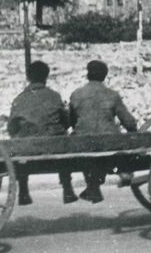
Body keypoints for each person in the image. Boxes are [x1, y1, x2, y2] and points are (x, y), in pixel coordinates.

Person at [8, 61, 77, 205]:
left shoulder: (19, 100)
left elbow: (11, 128)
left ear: (28, 77)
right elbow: (66, 122)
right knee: (62, 141)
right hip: (55, 147)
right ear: (46, 77)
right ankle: (67, 188)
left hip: (27, 149)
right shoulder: (54, 96)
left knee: (22, 146)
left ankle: (24, 191)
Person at [69, 60, 138, 203]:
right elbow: (129, 122)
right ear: (104, 76)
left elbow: (71, 121)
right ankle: (120, 173)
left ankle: (93, 186)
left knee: (87, 142)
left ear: (88, 75)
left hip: (82, 145)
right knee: (112, 142)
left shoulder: (76, 94)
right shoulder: (112, 95)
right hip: (109, 144)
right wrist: (134, 133)